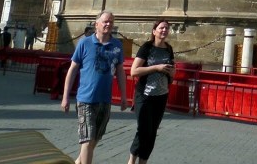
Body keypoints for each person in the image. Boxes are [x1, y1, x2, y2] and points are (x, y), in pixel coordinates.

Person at [61, 11, 128, 164]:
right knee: (87, 139)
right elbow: (72, 70)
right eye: (105, 21)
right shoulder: (84, 43)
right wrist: (65, 97)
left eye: (111, 21)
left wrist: (124, 96)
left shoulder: (117, 45)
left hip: (105, 99)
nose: (108, 24)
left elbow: (120, 71)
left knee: (95, 139)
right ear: (96, 24)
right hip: (86, 99)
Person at [127, 18, 175, 164]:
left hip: (161, 96)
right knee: (144, 130)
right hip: (145, 95)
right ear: (154, 31)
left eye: (166, 28)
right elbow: (134, 71)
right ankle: (131, 160)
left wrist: (172, 72)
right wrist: (156, 68)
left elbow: (172, 72)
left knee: (152, 131)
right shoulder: (146, 47)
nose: (164, 30)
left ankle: (143, 161)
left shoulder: (169, 49)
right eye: (161, 28)